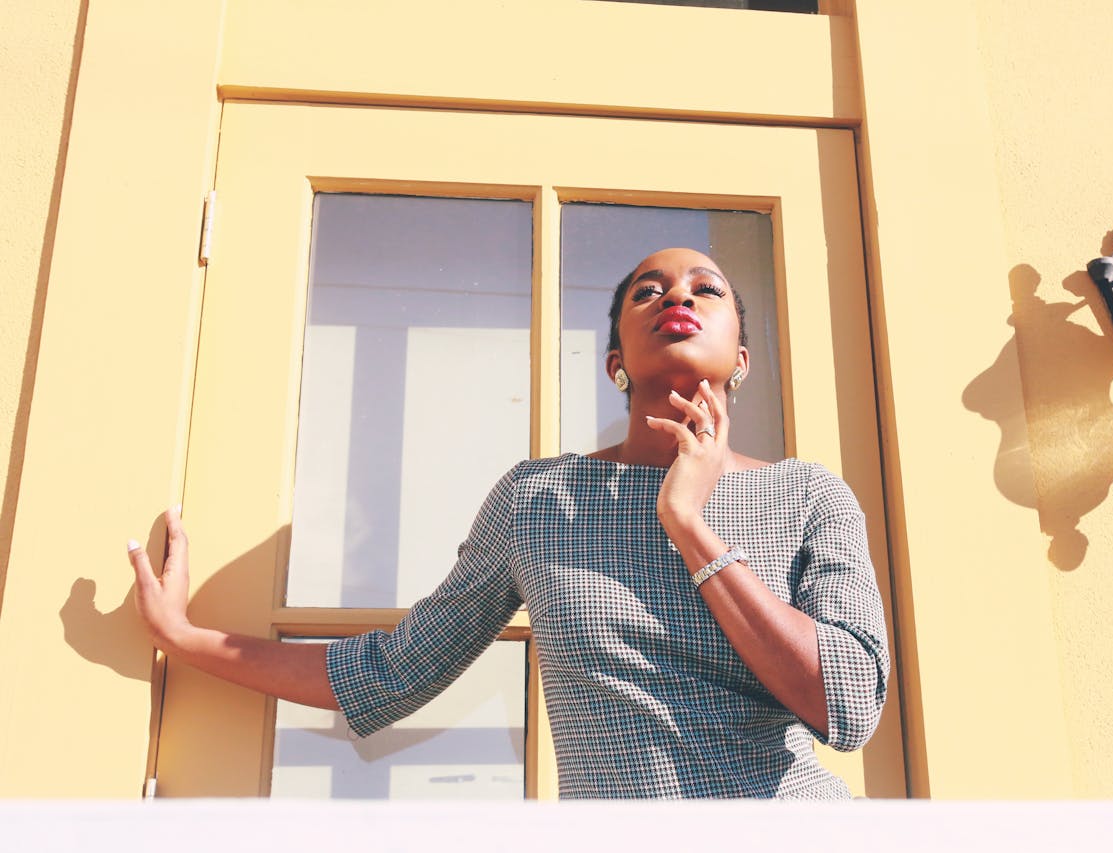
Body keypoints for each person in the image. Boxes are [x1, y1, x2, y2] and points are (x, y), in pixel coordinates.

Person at [128, 247, 890, 799]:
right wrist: (186, 638)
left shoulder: (809, 496)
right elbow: (394, 672)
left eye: (705, 288)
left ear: (743, 358)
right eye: (647, 291)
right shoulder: (539, 501)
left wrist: (689, 522)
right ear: (615, 362)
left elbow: (850, 707)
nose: (675, 296)